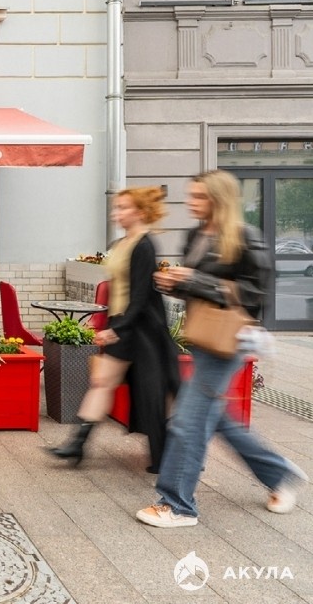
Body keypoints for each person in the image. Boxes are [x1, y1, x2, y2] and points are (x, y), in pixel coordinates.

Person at [137, 169, 308, 528]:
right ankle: (279, 474)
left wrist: (196, 279)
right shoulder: (196, 234)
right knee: (215, 419)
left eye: (200, 196)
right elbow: (198, 287)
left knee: (187, 422)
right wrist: (175, 284)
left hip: (228, 341)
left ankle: (178, 505)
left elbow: (256, 294)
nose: (192, 202)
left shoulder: (245, 237)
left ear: (219, 200)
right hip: (203, 336)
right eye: (192, 195)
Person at [48, 187, 179, 472]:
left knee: (153, 392)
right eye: (116, 207)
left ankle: (166, 453)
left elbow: (141, 296)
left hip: (142, 330)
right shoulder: (120, 243)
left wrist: (117, 327)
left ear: (140, 212)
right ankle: (77, 445)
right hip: (123, 324)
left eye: (123, 207)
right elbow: (117, 290)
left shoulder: (144, 246)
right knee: (102, 382)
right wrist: (111, 324)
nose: (115, 212)